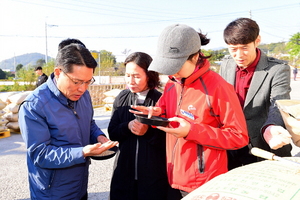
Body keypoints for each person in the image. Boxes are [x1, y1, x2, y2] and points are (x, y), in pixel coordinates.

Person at [130, 24, 249, 199]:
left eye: (176, 65)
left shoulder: (219, 88)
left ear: (195, 56)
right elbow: (166, 112)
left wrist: (191, 131)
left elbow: (239, 137)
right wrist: (156, 114)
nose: (173, 71)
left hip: (205, 184)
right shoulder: (173, 83)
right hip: (173, 177)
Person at [19, 39, 118, 200]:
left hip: (79, 186)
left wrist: (99, 136)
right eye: (77, 82)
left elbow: (89, 123)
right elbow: (40, 154)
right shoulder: (35, 105)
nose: (83, 88)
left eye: (88, 82)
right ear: (58, 72)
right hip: (52, 193)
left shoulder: (83, 95)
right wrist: (83, 152)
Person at [219, 17, 292, 170]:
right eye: (233, 49)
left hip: (265, 146)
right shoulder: (226, 64)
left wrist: (270, 127)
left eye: (245, 48)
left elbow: (278, 102)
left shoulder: (277, 69)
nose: (239, 55)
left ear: (257, 40)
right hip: (232, 145)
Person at [108, 52, 170, 200]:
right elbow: (113, 132)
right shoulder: (122, 98)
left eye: (136, 76)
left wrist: (147, 132)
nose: (131, 81)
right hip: (124, 174)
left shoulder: (161, 100)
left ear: (149, 75)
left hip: (153, 177)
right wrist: (127, 126)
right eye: (128, 75)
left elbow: (168, 140)